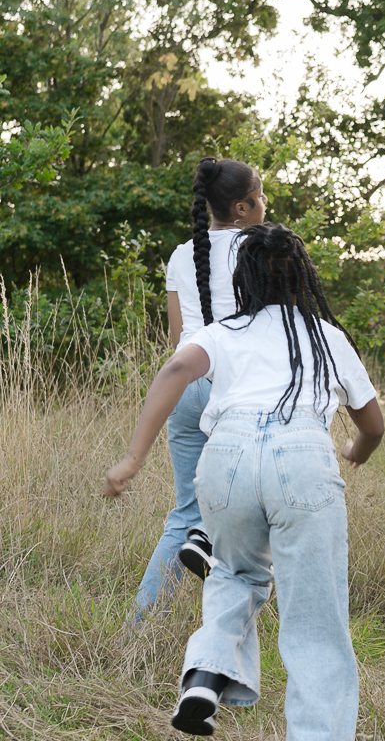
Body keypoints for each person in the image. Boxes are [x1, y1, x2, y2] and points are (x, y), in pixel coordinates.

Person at [103, 223, 385, 739]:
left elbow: (174, 371)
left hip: (225, 457)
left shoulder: (223, 332)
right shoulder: (326, 336)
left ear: (243, 282)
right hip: (301, 456)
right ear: (303, 279)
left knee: (234, 574)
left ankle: (206, 674)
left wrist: (132, 458)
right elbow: (373, 425)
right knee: (315, 619)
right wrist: (354, 450)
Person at [133, 156, 268, 623]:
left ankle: (142, 626)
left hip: (187, 387)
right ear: (242, 207)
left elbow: (178, 343)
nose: (265, 202)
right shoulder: (262, 249)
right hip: (240, 392)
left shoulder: (179, 254)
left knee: (186, 513)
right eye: (261, 194)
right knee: (262, 506)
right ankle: (233, 620)